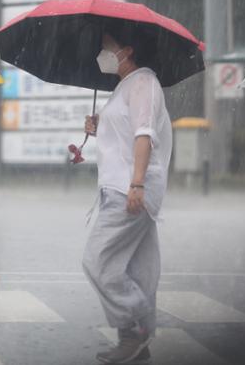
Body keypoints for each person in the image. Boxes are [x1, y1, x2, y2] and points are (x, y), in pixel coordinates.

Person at [82, 26, 171, 364]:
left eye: (107, 46)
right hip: (121, 185)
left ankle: (135, 327)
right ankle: (138, 340)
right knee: (139, 267)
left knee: (97, 260)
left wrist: (137, 184)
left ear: (128, 50)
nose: (101, 53)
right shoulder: (125, 86)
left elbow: (143, 135)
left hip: (129, 188)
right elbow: (121, 133)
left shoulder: (144, 83)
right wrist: (96, 124)